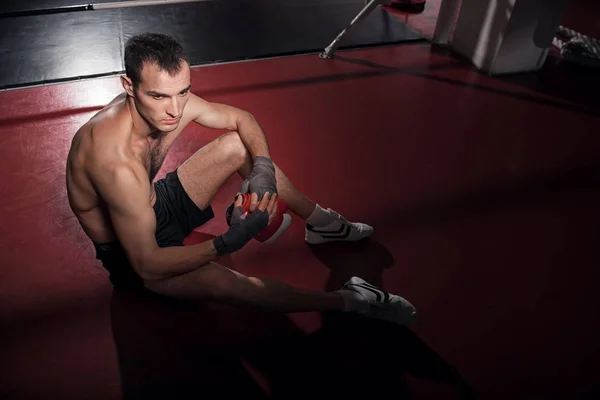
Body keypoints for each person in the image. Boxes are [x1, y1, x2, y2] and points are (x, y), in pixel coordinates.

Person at [66, 32, 417, 326]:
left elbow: (242, 119)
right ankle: (352, 299)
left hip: (156, 203)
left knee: (240, 147)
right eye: (158, 96)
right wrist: (226, 243)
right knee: (232, 285)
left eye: (183, 91)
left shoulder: (174, 104)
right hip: (134, 257)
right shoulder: (114, 161)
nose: (174, 109)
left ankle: (321, 222)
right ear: (129, 85)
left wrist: (262, 169)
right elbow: (147, 262)